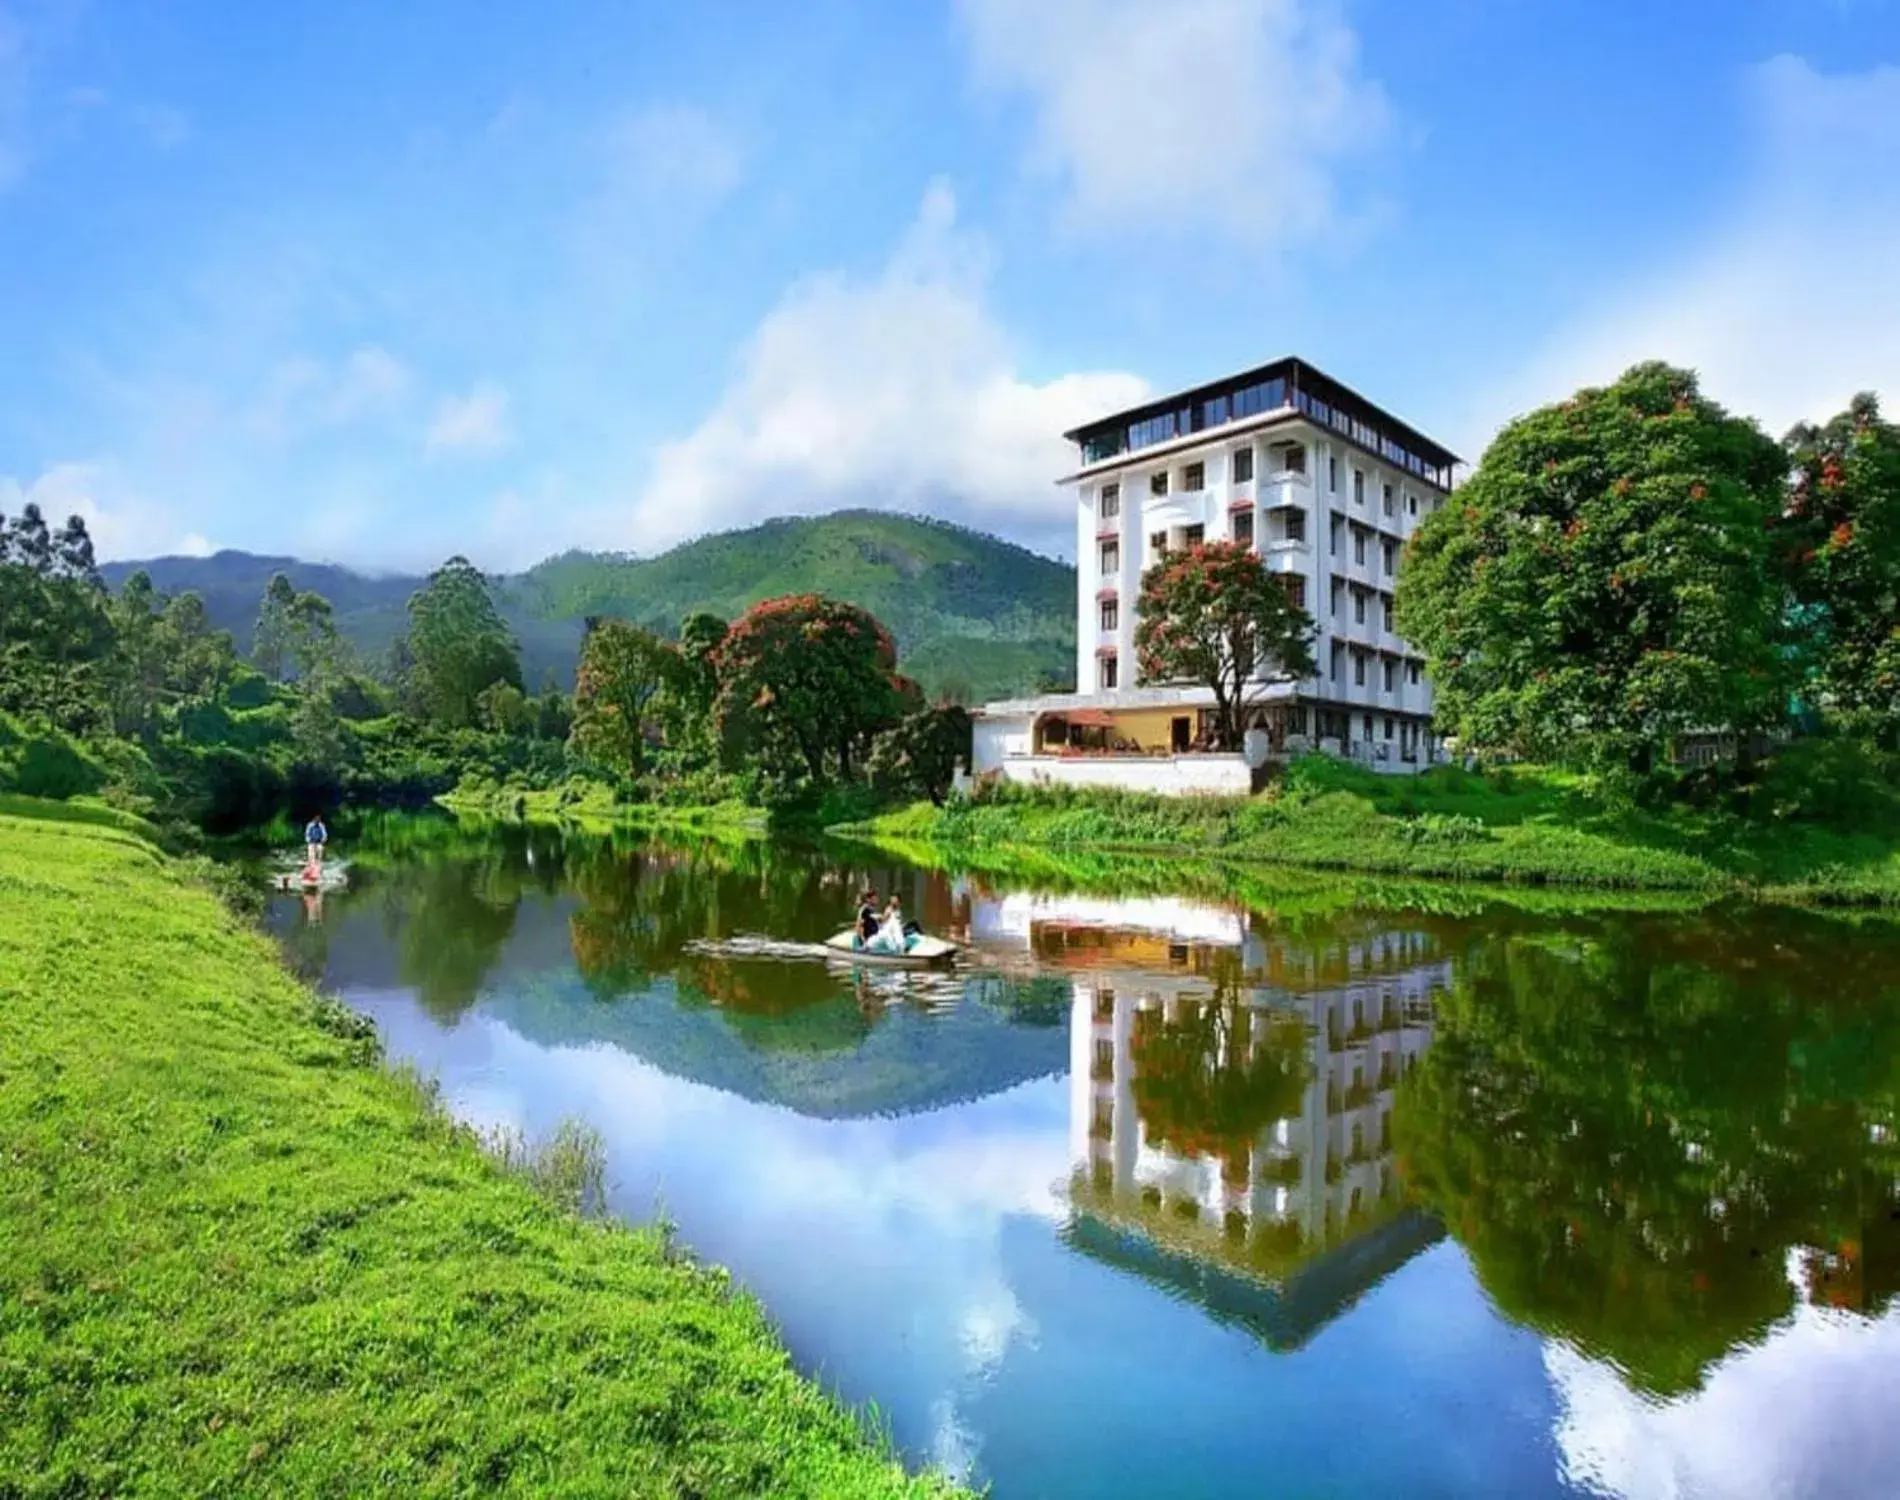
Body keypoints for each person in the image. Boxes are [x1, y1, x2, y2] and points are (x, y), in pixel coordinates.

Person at [303, 812, 328, 878]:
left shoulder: (321, 825)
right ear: (314, 819)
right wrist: (309, 840)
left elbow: (324, 835)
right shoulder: (310, 825)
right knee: (311, 856)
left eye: (319, 818)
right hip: (311, 842)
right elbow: (307, 834)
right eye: (316, 818)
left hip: (319, 843)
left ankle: (319, 871)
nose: (318, 820)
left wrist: (323, 840)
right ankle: (311, 870)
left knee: (319, 852)